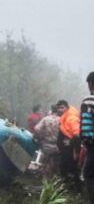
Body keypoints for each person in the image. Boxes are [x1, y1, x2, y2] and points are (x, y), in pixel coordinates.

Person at [56, 99, 80, 186]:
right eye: (58, 108)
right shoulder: (63, 119)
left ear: (67, 107)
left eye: (62, 108)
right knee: (65, 169)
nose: (60, 110)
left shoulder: (71, 118)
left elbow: (77, 135)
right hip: (65, 151)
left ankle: (76, 191)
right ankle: (67, 187)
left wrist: (75, 150)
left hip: (71, 151)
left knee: (73, 170)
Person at [33, 104, 60, 174]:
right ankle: (55, 178)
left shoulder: (46, 119)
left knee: (45, 161)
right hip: (57, 145)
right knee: (56, 163)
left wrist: (41, 137)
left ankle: (44, 178)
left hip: (46, 144)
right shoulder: (61, 119)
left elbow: (36, 128)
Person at [80, 72, 94, 203]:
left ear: (90, 85)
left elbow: (86, 127)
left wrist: (86, 142)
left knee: (89, 175)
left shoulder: (89, 101)